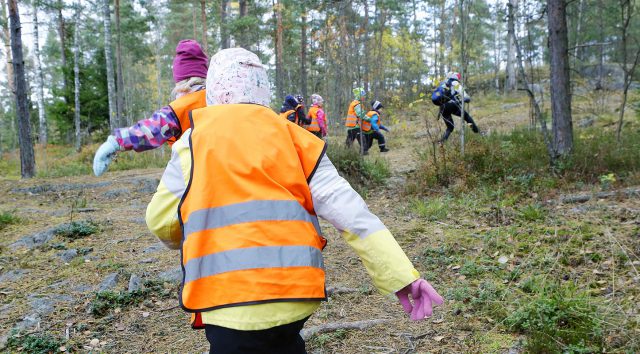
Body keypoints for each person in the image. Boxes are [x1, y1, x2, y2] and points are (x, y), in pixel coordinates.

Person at [145, 48, 443, 354]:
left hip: (225, 300)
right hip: (295, 296)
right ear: (264, 91)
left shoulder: (190, 144)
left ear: (214, 92)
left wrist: (184, 233)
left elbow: (160, 221)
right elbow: (354, 215)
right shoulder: (299, 140)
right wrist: (401, 276)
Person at [93, 39, 209, 176]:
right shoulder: (220, 100)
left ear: (179, 80)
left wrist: (115, 142)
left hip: (195, 175)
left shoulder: (179, 109)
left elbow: (150, 131)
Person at [431, 72, 480, 142]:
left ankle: (441, 142)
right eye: (458, 77)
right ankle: (477, 133)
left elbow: (441, 98)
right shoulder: (454, 82)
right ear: (456, 77)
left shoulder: (442, 84)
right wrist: (466, 98)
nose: (459, 78)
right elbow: (462, 92)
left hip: (443, 108)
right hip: (452, 105)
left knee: (450, 127)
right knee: (466, 116)